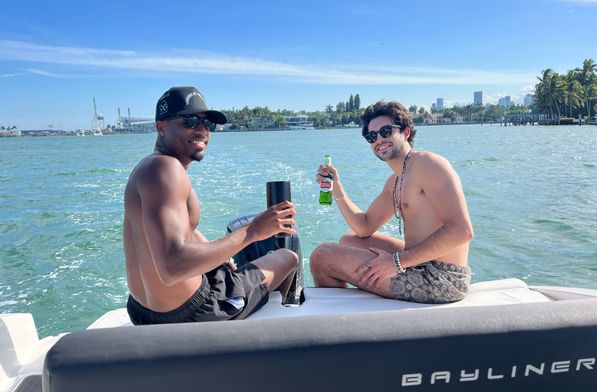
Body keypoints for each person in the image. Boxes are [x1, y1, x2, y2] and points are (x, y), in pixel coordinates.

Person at [124, 86, 298, 325]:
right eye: (191, 121)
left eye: (208, 125)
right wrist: (252, 231)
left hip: (142, 312)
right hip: (194, 312)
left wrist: (219, 256)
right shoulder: (166, 170)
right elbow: (171, 267)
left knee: (232, 267)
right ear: (161, 127)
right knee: (287, 257)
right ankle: (274, 330)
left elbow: (181, 227)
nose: (202, 130)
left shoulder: (147, 169)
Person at [310, 101, 473, 303]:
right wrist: (337, 189)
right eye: (372, 136)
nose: (379, 139)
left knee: (322, 256)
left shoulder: (428, 165)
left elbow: (462, 231)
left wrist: (396, 262)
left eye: (386, 131)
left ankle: (339, 326)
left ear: (405, 132)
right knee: (350, 240)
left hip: (441, 280)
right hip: (418, 265)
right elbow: (364, 227)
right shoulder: (396, 181)